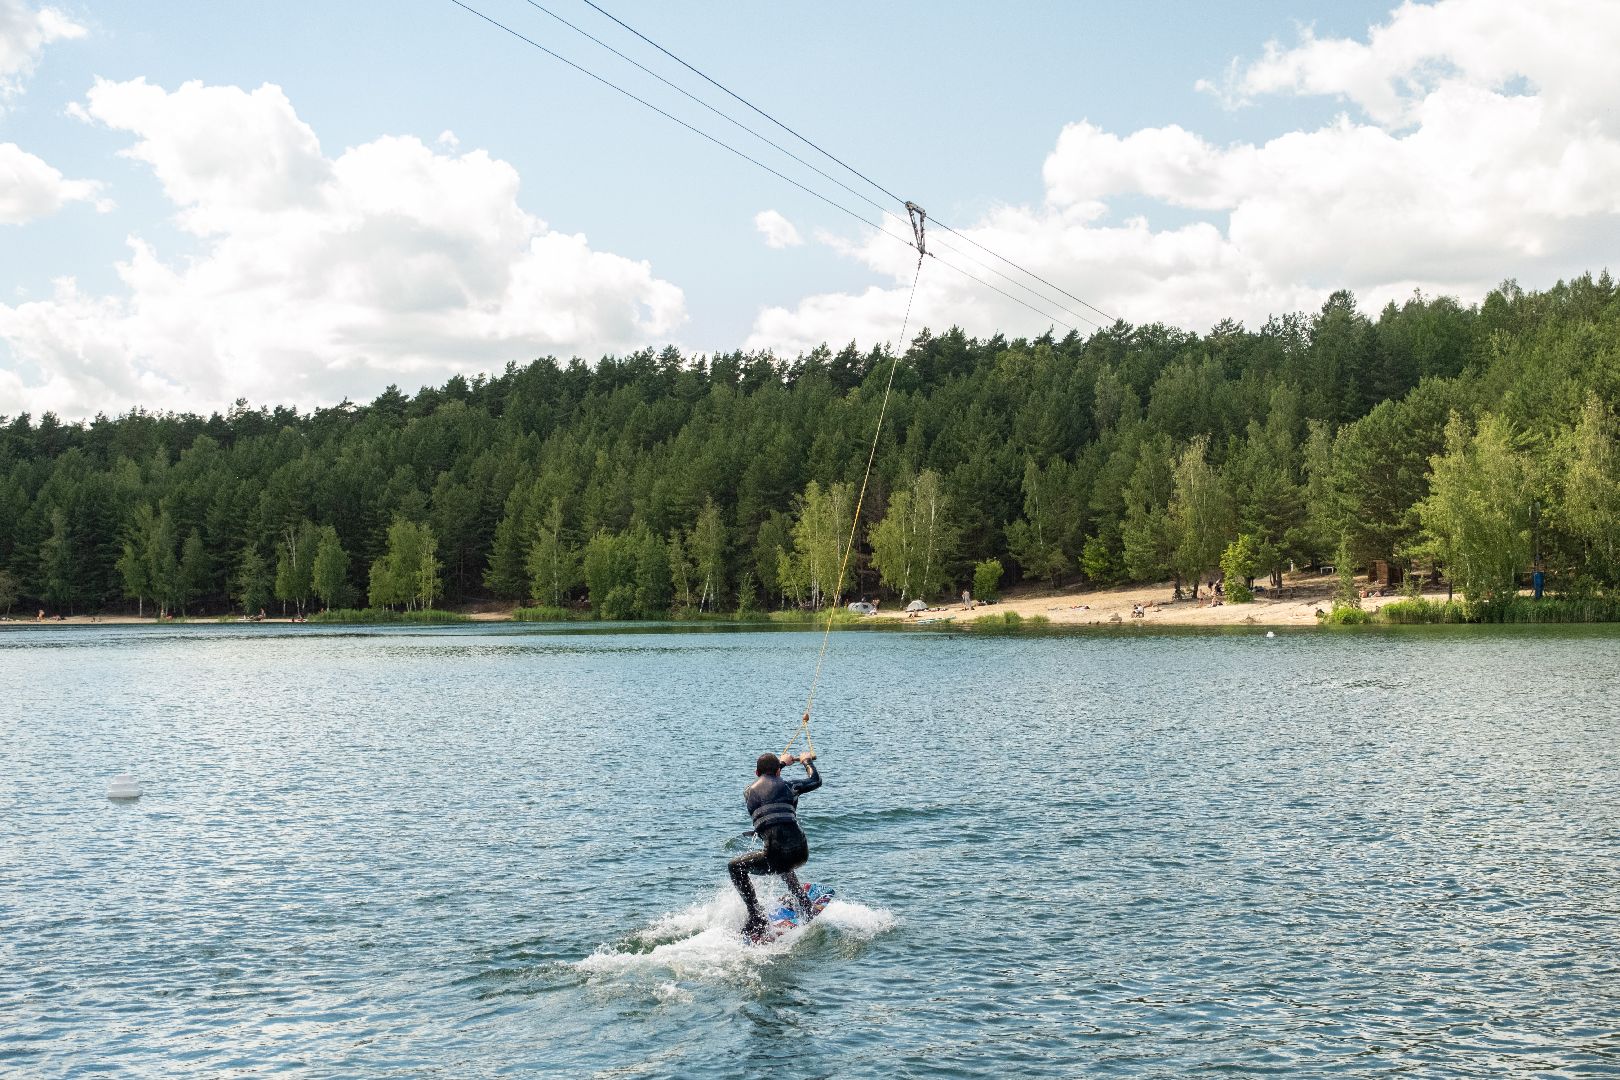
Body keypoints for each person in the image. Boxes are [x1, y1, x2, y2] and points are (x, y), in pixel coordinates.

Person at [728, 725, 822, 939]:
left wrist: (780, 762)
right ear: (779, 772)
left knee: (735, 867)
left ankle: (756, 916)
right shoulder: (790, 786)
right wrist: (806, 761)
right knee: (781, 859)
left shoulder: (748, 792)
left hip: (776, 854)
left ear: (756, 773)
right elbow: (815, 781)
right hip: (801, 851)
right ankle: (805, 904)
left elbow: (768, 780)